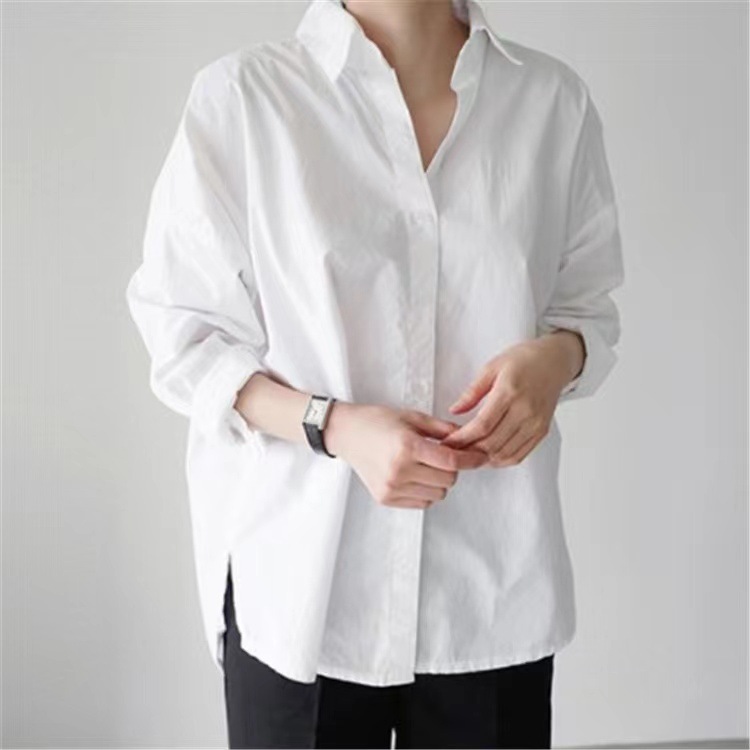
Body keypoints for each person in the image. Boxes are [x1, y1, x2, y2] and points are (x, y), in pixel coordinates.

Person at [125, 0, 625, 746]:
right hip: (303, 589)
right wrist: (334, 427)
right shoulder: (246, 98)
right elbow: (185, 336)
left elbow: (586, 308)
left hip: (490, 591)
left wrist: (555, 361)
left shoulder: (552, 103)